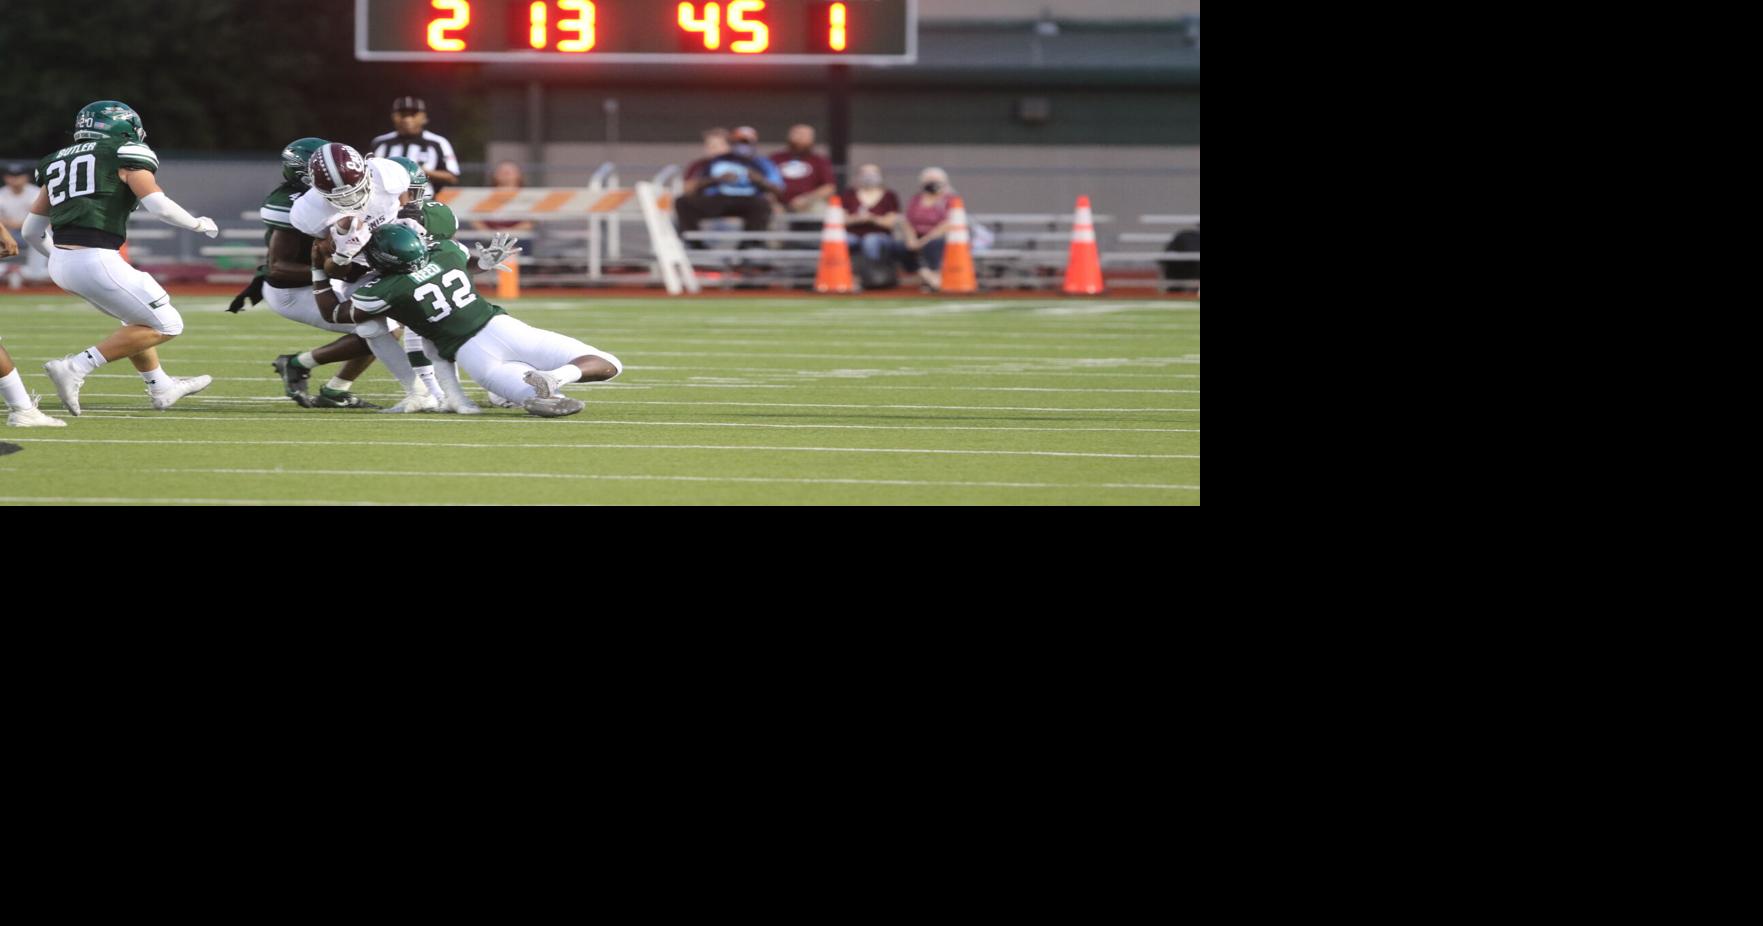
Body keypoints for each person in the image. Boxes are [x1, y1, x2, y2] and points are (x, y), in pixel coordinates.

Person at [314, 223, 620, 419]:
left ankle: (545, 388)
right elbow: (458, 265)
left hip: (473, 356)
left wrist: (318, 271)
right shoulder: (446, 253)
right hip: (506, 330)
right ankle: (558, 376)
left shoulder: (382, 290)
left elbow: (334, 313)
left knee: (540, 401)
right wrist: (483, 263)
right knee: (609, 364)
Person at [28, 101, 217, 416]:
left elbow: (31, 231)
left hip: (61, 262)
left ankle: (160, 386)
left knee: (137, 321)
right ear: (125, 128)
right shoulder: (123, 153)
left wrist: (61, 259)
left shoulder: (56, 161)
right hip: (95, 257)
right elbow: (159, 206)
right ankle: (75, 366)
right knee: (169, 324)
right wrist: (198, 224)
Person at [244, 136, 383, 409]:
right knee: (379, 328)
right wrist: (336, 270)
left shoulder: (344, 191)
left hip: (328, 277)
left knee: (390, 319)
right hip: (293, 290)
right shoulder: (290, 204)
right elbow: (278, 268)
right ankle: (299, 365)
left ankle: (335, 390)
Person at [675, 126, 783, 246]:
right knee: (683, 202)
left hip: (748, 199)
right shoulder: (716, 161)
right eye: (738, 142)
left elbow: (778, 189)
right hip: (719, 198)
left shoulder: (762, 163)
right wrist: (717, 179)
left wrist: (759, 180)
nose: (742, 146)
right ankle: (696, 245)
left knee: (762, 205)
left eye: (746, 143)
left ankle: (749, 246)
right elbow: (696, 184)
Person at [369, 96, 461, 193]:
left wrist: (421, 172)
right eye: (402, 114)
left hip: (422, 199)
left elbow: (452, 177)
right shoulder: (380, 143)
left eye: (413, 114)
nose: (407, 119)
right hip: (384, 200)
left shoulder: (437, 142)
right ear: (394, 117)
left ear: (424, 117)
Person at [902, 167, 956, 290]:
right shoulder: (916, 199)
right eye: (929, 180)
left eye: (935, 180)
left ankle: (935, 276)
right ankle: (924, 275)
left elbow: (947, 224)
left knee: (934, 245)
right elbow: (907, 221)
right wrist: (911, 240)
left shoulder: (949, 199)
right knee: (901, 247)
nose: (932, 183)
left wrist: (923, 241)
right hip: (917, 237)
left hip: (937, 238)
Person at [770, 124, 837, 224]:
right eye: (798, 134)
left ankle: (814, 235)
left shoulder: (819, 161)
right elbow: (765, 184)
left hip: (809, 203)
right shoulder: (775, 159)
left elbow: (829, 187)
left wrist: (806, 199)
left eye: (806, 135)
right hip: (780, 203)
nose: (801, 138)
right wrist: (773, 203)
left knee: (820, 208)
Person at [842, 164, 903, 271]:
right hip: (853, 234)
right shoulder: (849, 194)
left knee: (870, 240)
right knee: (843, 240)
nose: (869, 176)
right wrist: (857, 219)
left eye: (873, 173)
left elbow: (891, 223)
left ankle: (872, 272)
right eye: (865, 173)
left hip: (880, 235)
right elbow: (841, 219)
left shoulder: (889, 195)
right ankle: (842, 272)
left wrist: (873, 219)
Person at [1, 163, 49, 290]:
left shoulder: (35, 192)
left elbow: (42, 218)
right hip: (7, 233)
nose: (14, 179)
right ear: (6, 178)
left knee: (43, 234)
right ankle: (14, 271)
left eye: (18, 176)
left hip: (30, 232)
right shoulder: (1, 194)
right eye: (11, 176)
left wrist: (16, 224)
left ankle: (28, 273)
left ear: (26, 177)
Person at [469, 161, 534, 233]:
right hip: (488, 237)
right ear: (495, 175)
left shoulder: (527, 196)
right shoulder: (485, 196)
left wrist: (509, 232)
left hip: (519, 237)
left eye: (509, 172)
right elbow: (474, 218)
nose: (505, 174)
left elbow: (531, 221)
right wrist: (488, 233)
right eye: (501, 171)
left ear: (519, 175)